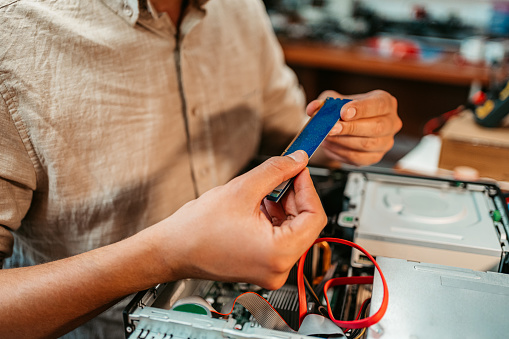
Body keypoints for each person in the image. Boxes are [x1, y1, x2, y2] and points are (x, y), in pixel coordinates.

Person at [0, 0, 401, 337]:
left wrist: (339, 136)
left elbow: (285, 138)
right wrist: (165, 256)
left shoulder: (240, 8)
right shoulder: (13, 34)